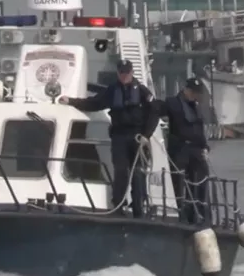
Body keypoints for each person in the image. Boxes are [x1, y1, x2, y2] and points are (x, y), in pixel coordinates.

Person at [58, 59, 159, 218]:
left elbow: (154, 114)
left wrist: (147, 135)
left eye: (127, 72)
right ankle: (118, 206)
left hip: (138, 138)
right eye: (122, 73)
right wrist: (71, 101)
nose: (124, 75)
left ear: (132, 73)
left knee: (138, 174)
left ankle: (139, 208)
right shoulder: (112, 90)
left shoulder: (142, 92)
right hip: (119, 136)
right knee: (121, 171)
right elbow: (94, 103)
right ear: (118, 73)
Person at [154, 78, 210, 224]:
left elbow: (199, 129)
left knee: (201, 181)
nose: (194, 95)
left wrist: (205, 147)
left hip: (196, 149)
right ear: (186, 90)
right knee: (179, 183)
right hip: (180, 149)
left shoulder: (196, 107)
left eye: (196, 93)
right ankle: (181, 213)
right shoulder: (173, 103)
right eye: (192, 91)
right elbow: (157, 110)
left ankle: (201, 213)